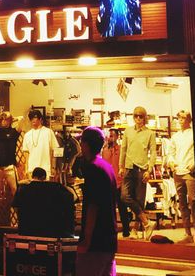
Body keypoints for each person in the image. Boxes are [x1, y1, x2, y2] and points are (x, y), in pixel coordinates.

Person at [77, 127, 118, 276]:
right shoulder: (107, 166)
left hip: (97, 239)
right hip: (109, 237)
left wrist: (87, 240)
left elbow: (93, 206)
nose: (80, 145)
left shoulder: (93, 168)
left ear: (86, 145)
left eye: (82, 141)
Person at [119, 107, 155, 237]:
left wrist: (149, 169)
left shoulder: (150, 133)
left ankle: (135, 230)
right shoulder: (128, 131)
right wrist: (121, 166)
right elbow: (123, 149)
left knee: (139, 200)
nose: (138, 118)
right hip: (128, 167)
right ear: (133, 117)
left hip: (141, 169)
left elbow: (153, 152)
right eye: (136, 116)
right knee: (124, 197)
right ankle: (146, 222)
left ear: (145, 117)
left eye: (141, 116)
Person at [11, 167, 74, 238]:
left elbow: (16, 206)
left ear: (32, 176)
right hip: (48, 230)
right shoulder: (52, 189)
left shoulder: (22, 189)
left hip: (26, 229)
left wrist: (22, 217)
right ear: (44, 177)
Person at [167, 110, 195, 243]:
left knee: (194, 201)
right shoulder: (175, 137)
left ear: (188, 120)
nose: (180, 120)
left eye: (183, 118)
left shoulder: (193, 134)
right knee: (182, 204)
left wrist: (193, 164)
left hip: (189, 172)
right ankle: (187, 233)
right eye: (178, 118)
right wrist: (171, 162)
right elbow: (171, 152)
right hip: (178, 172)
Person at [0, 113, 20, 226]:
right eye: (2, 119)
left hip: (9, 166)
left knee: (15, 191)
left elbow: (22, 119)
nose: (3, 121)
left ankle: (19, 218)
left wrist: (13, 118)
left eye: (5, 119)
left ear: (10, 121)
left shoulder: (14, 131)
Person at [20, 111, 58, 179]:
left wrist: (53, 167)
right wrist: (26, 168)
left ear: (40, 119)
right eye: (31, 118)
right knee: (33, 189)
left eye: (35, 118)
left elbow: (54, 150)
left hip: (46, 169)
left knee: (45, 189)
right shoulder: (27, 135)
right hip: (32, 169)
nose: (32, 120)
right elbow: (26, 153)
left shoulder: (48, 132)